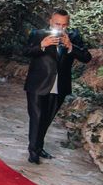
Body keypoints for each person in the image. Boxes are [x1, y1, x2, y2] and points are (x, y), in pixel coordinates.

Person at [23, 9, 91, 164]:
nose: (60, 28)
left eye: (64, 25)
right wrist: (42, 45)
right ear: (50, 21)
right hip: (37, 84)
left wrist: (71, 46)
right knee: (37, 118)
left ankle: (39, 147)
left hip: (60, 86)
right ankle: (33, 151)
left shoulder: (73, 37)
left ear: (68, 24)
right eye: (57, 24)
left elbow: (87, 57)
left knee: (46, 119)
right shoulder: (38, 34)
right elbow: (25, 51)